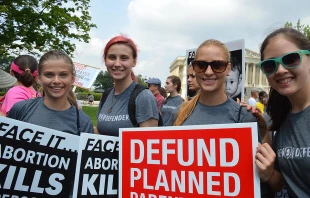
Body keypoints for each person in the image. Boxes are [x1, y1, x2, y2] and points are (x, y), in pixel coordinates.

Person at [167, 39, 273, 197]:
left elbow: (254, 181)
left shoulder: (245, 117)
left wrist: (266, 174)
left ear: (228, 68)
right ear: (194, 68)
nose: (209, 72)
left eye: (217, 65)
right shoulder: (180, 113)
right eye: (201, 65)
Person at [257, 27, 310, 197]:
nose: (280, 70)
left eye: (291, 59)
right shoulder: (282, 117)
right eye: (270, 65)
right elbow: (280, 183)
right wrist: (267, 173)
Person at [7, 50, 94, 135]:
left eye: (63, 75)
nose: (56, 81)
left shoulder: (83, 122)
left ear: (72, 78)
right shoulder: (21, 109)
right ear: (39, 78)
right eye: (49, 75)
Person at [96, 35, 159, 136]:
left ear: (134, 62)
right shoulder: (106, 95)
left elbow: (149, 145)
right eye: (112, 57)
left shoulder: (144, 97)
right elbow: (101, 133)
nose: (117, 63)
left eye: (124, 58)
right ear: (105, 60)